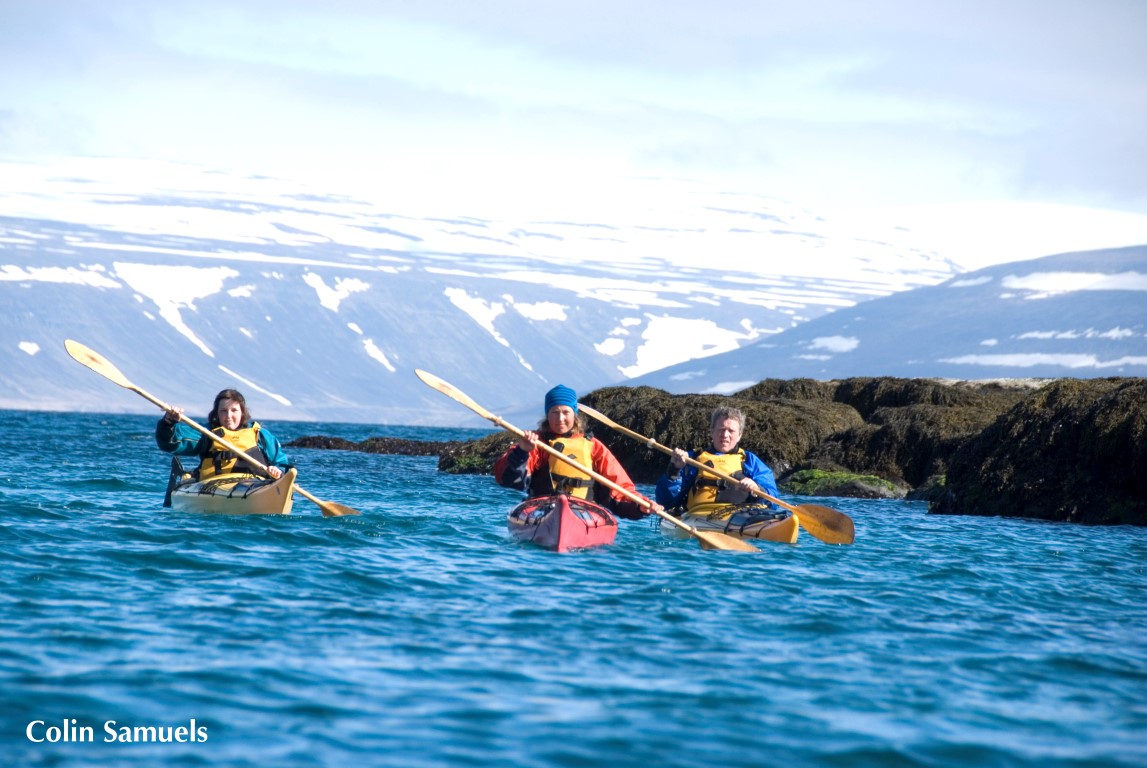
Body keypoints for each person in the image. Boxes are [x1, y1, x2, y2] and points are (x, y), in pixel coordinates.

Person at [493, 384, 662, 520]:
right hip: (543, 506)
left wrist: (642, 505)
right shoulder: (537, 442)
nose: (560, 419)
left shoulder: (593, 446)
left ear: (574, 415)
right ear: (547, 415)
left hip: (584, 510)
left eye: (565, 412)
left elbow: (621, 486)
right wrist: (522, 451)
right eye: (554, 412)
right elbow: (509, 479)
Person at [655, 406, 778, 512]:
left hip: (739, 518)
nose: (725, 435)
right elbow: (666, 502)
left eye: (731, 431)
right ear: (712, 431)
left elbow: (773, 502)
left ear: (739, 435)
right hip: (697, 517)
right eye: (721, 429)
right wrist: (674, 471)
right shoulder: (692, 459)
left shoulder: (750, 461)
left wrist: (757, 489)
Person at [156, 388, 291, 482]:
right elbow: (169, 443)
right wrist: (169, 421)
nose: (229, 416)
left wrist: (278, 472)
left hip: (256, 486)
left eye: (234, 410)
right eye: (223, 411)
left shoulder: (260, 435)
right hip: (215, 485)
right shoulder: (207, 433)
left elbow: (284, 464)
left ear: (242, 413)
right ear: (216, 414)